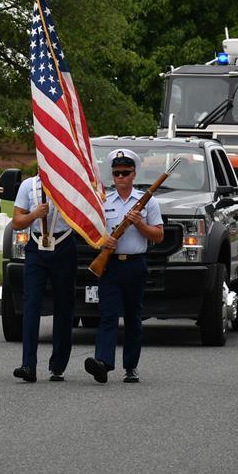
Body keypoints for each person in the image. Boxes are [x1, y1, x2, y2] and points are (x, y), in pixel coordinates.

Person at [84, 149, 163, 384]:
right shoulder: (103, 200)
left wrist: (139, 224)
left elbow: (158, 236)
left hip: (135, 265)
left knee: (133, 318)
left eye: (125, 172)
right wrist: (101, 241)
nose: (120, 177)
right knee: (108, 316)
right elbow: (92, 233)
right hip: (109, 266)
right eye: (116, 173)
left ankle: (131, 367)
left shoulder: (148, 202)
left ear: (133, 174)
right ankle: (103, 363)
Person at [11, 172, 77, 382]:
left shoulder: (69, 182)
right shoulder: (28, 186)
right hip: (36, 248)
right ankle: (28, 365)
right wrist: (34, 215)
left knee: (64, 306)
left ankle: (58, 365)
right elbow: (17, 221)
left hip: (64, 245)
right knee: (31, 305)